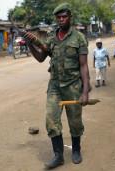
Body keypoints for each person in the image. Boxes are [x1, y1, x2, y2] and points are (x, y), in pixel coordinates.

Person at [21, 3, 90, 169]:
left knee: (75, 121)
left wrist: (85, 91)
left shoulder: (79, 38)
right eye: (58, 17)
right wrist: (30, 43)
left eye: (64, 16)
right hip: (55, 86)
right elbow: (40, 58)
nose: (61, 20)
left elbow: (83, 66)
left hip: (73, 85)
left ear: (70, 17)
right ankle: (58, 155)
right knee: (51, 120)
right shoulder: (51, 38)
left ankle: (76, 150)